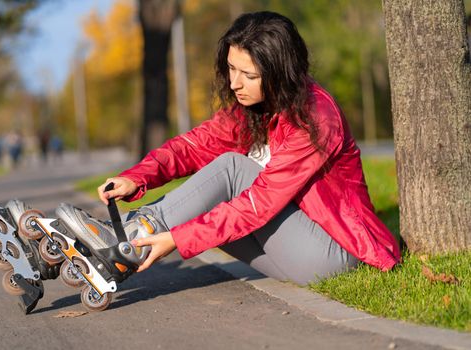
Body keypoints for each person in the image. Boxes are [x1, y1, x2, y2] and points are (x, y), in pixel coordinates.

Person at [94, 11, 401, 285]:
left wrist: (179, 238)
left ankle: (130, 236)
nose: (234, 83)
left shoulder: (314, 118)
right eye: (231, 68)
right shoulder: (254, 107)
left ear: (279, 73)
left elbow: (259, 202)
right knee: (209, 201)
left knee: (233, 169)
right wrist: (137, 177)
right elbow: (196, 145)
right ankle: (119, 246)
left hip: (336, 253)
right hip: (293, 247)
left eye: (249, 75)